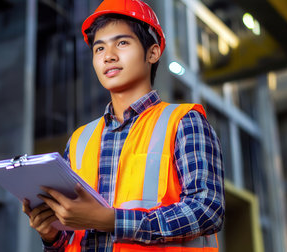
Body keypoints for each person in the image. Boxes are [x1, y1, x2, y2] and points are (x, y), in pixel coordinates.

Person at [23, 0, 225, 251]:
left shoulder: (184, 122)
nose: (108, 56)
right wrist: (52, 236)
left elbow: (207, 210)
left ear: (152, 52)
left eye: (122, 43)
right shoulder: (79, 140)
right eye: (99, 49)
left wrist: (111, 221)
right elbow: (74, 237)